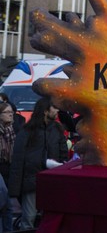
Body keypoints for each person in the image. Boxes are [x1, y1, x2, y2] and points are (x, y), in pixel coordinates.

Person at [8, 97, 67, 229]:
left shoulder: (57, 129)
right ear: (46, 111)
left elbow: (63, 152)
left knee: (49, 219)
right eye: (54, 108)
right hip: (31, 181)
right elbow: (18, 159)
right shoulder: (27, 131)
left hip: (52, 181)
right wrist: (14, 191)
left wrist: (61, 166)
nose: (57, 111)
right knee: (29, 219)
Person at [0, 103, 15, 232]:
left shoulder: (10, 129)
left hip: (6, 169)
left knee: (8, 207)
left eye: (11, 112)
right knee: (3, 202)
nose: (10, 114)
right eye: (6, 112)